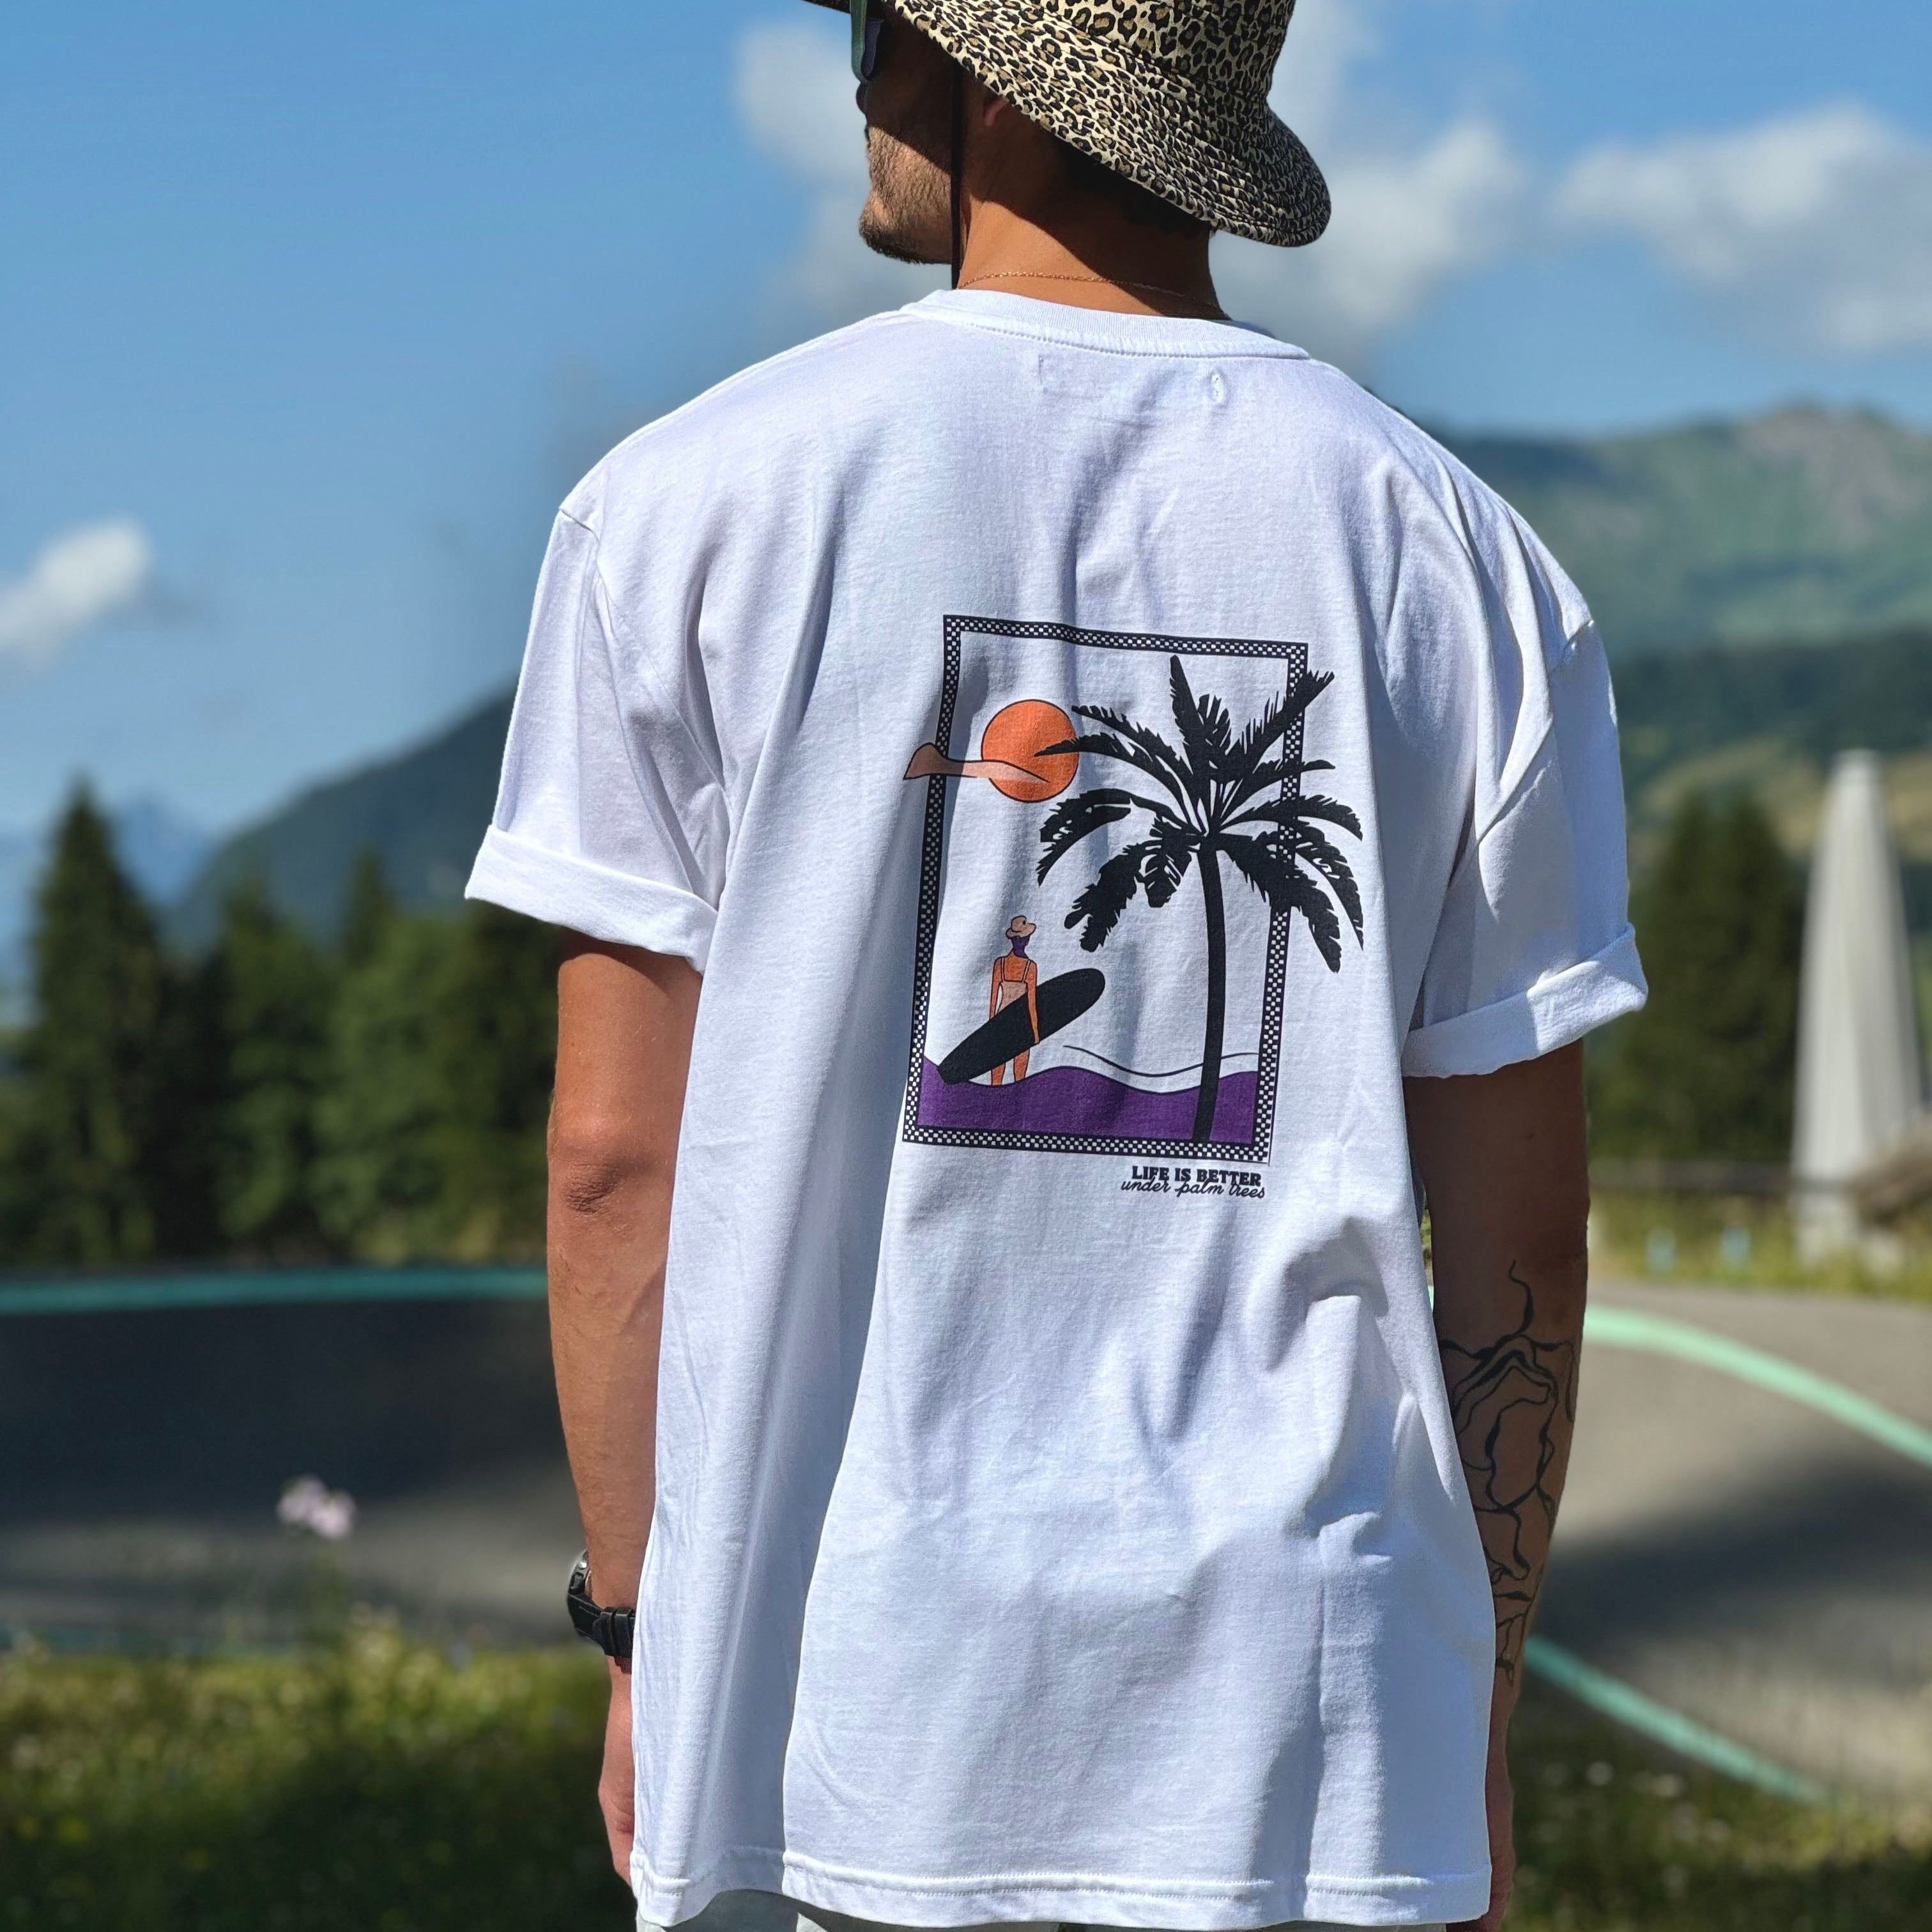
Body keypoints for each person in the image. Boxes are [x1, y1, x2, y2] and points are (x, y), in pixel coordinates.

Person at [465, 4, 1646, 1932]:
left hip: (847, 1706)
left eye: (883, 26)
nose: (860, 75)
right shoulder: (1463, 560)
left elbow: (616, 1163)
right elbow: (1523, 1231)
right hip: (1318, 1709)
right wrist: (1477, 1696)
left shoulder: (682, 509)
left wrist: (641, 1637)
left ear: (996, 80)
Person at [988, 916, 1040, 1084]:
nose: (1023, 941)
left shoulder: (1001, 964)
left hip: (1004, 1020)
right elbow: (1031, 1003)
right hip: (1020, 1022)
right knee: (1014, 1075)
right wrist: (1035, 1032)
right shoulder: (1029, 967)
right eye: (1022, 938)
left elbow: (994, 1002)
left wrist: (990, 1027)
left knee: (1004, 1075)